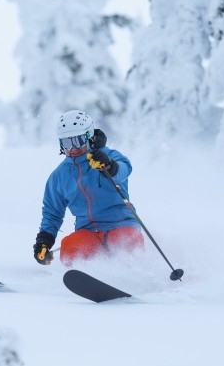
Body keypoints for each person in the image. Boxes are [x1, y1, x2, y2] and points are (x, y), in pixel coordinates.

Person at [33, 110, 145, 266]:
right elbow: (52, 212)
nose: (72, 148)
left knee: (127, 242)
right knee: (69, 249)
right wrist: (44, 240)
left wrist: (109, 166)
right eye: (66, 143)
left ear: (88, 137)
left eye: (77, 141)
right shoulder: (59, 176)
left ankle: (134, 274)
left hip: (122, 225)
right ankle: (87, 279)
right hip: (89, 232)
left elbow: (125, 169)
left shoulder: (107, 156)